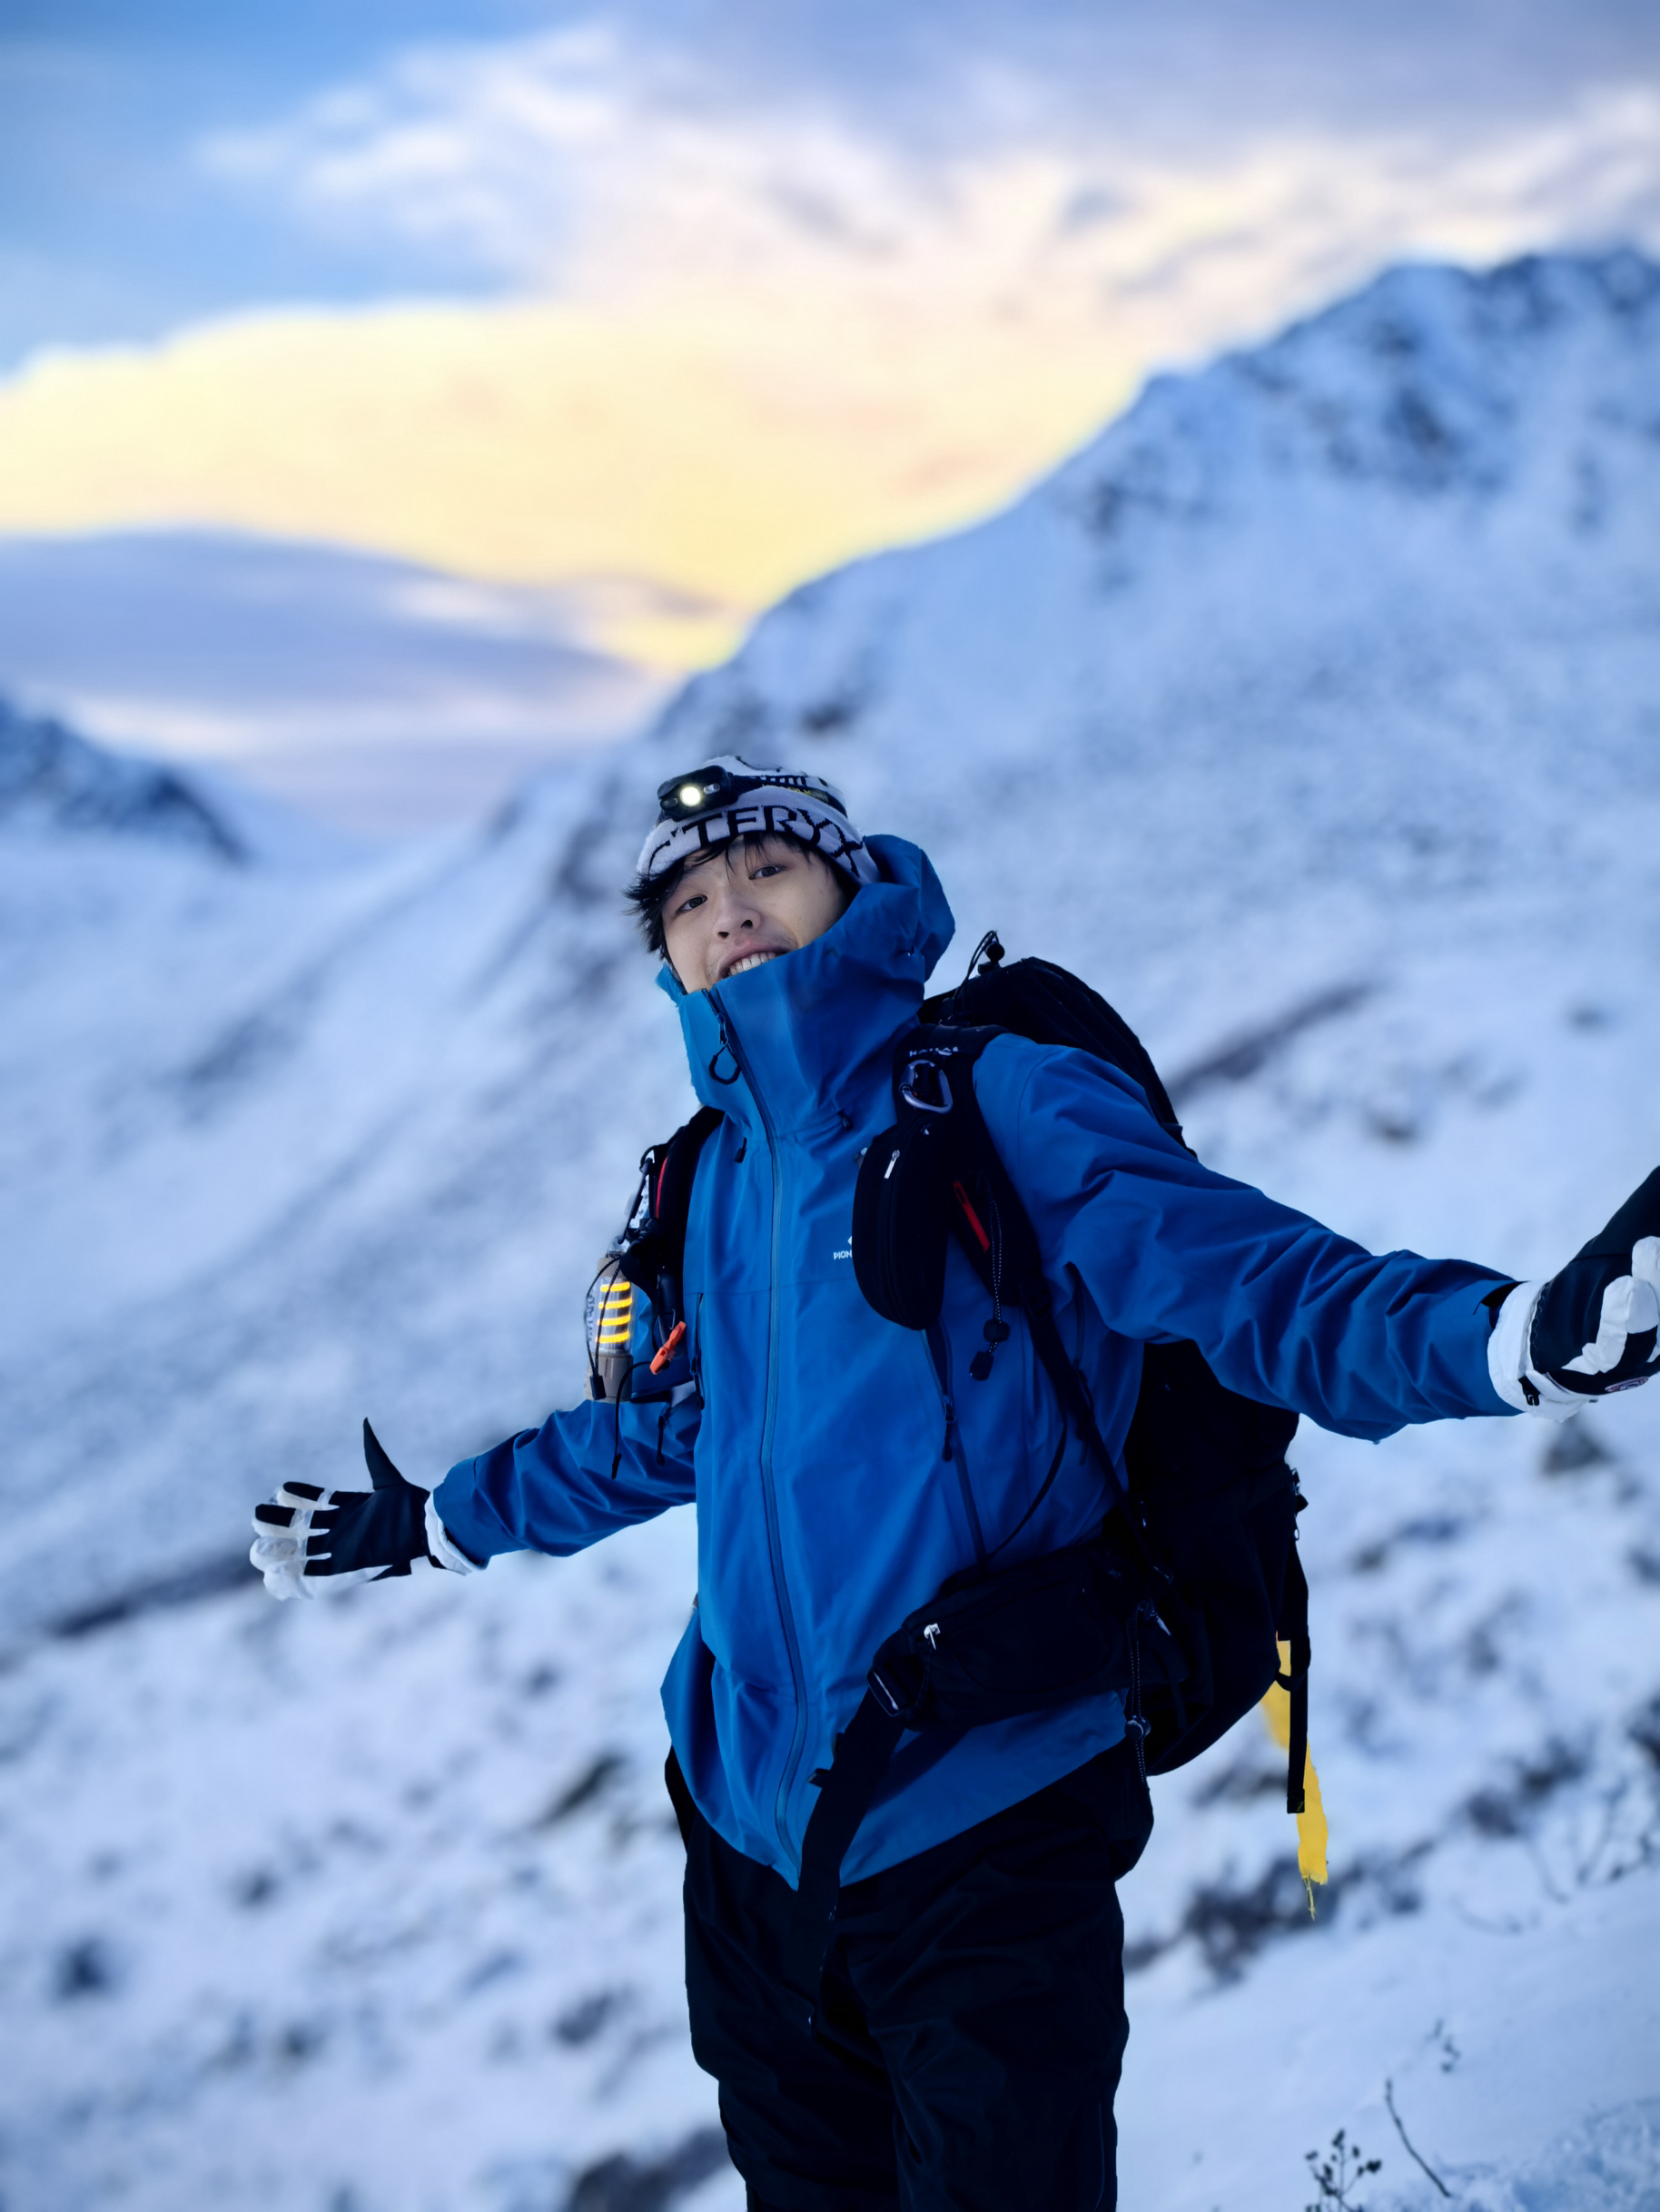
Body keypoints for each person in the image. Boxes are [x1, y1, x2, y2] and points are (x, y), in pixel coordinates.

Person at [252, 759, 1659, 2212]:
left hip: (988, 1821)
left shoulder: (1000, 1098)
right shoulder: (715, 1178)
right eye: (688, 899)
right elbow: (673, 1438)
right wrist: (437, 1521)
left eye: (766, 870)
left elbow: (1249, 1283)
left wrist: (1507, 1341)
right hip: (751, 1852)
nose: (729, 911)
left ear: (851, 889)